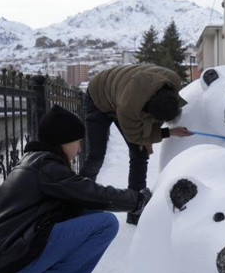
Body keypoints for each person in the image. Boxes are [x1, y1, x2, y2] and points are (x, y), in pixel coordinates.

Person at [0, 105, 151, 273]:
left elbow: (77, 203)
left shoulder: (34, 162)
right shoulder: (47, 167)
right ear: (62, 141)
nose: (80, 149)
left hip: (11, 256)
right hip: (16, 258)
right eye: (78, 142)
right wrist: (137, 200)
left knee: (84, 212)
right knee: (105, 224)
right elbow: (92, 192)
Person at [82, 63, 192, 224]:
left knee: (140, 154)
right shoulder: (128, 107)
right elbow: (136, 136)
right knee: (96, 155)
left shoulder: (172, 80)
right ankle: (78, 201)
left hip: (124, 90)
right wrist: (160, 135)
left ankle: (135, 207)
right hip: (99, 97)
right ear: (146, 112)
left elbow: (153, 124)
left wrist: (159, 133)